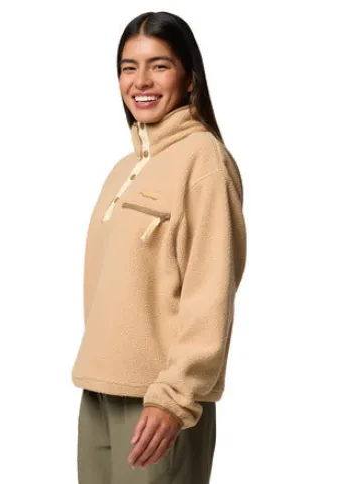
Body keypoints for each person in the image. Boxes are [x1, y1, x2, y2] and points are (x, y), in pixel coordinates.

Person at [71, 11, 247, 484]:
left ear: (190, 78)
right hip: (100, 389)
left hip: (160, 405)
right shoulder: (123, 169)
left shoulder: (204, 160)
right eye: (128, 67)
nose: (141, 81)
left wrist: (175, 396)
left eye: (159, 65)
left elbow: (211, 289)